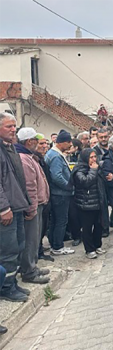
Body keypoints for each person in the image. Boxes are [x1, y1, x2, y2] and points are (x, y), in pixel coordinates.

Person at [0, 113, 31, 302]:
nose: (13, 130)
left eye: (14, 126)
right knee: (8, 250)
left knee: (19, 245)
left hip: (17, 206)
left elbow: (18, 179)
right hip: (7, 210)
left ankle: (12, 282)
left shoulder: (9, 147)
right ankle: (6, 287)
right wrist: (3, 208)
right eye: (9, 126)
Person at [15, 128, 50, 284]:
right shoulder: (24, 158)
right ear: (29, 141)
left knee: (35, 239)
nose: (39, 144)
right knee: (30, 239)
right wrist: (32, 207)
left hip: (38, 204)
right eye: (36, 140)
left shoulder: (29, 156)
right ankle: (29, 271)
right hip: (33, 207)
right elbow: (30, 186)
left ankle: (32, 266)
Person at [72, 148, 108, 259]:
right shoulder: (79, 170)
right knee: (87, 228)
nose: (93, 159)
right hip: (86, 203)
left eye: (94, 157)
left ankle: (97, 245)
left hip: (98, 201)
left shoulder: (97, 167)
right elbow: (85, 182)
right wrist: (93, 171)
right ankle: (89, 249)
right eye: (90, 157)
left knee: (99, 225)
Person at [45, 129, 75, 256]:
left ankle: (54, 244)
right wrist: (68, 186)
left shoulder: (52, 153)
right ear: (62, 143)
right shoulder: (56, 156)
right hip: (60, 194)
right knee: (61, 221)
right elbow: (56, 176)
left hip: (57, 193)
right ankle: (58, 246)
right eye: (69, 143)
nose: (70, 146)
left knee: (56, 221)